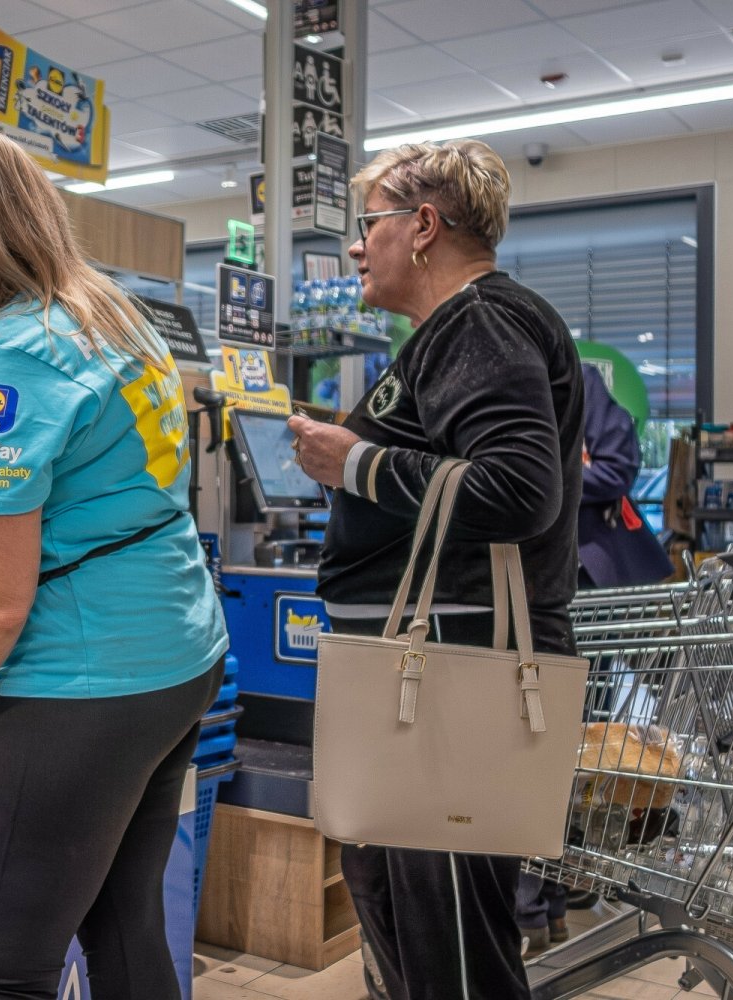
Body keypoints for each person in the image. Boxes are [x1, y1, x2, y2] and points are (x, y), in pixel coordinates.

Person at [0, 128, 228, 1000]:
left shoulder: (12, 357)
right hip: (176, 655)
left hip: (86, 678)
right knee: (123, 924)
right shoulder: (109, 313)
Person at [287, 138, 584, 1000]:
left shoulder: (479, 321)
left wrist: (357, 465)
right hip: (427, 670)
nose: (354, 246)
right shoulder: (454, 332)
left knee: (453, 953)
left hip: (456, 673)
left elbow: (521, 488)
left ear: (422, 227)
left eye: (366, 224)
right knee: (410, 932)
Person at [576, 363, 674, 589]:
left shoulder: (577, 380)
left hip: (594, 563)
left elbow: (616, 468)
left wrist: (543, 481)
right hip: (518, 568)